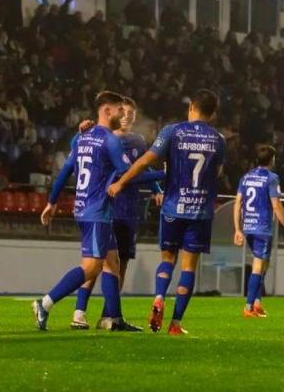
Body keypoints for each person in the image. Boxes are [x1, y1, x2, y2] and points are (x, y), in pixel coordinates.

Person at [34, 91, 156, 332]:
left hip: (83, 207)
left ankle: (115, 319)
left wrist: (52, 202)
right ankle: (45, 303)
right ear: (107, 111)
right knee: (92, 267)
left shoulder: (82, 138)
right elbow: (129, 175)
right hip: (97, 211)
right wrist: (168, 175)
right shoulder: (109, 140)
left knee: (112, 261)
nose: (122, 115)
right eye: (119, 110)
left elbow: (67, 169)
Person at [109, 89, 226, 335]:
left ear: (191, 107)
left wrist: (121, 183)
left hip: (173, 207)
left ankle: (159, 296)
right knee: (188, 268)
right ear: (213, 113)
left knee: (167, 259)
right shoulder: (219, 139)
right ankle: (175, 324)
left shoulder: (173, 132)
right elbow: (216, 173)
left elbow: (143, 161)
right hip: (200, 211)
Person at [71, 96, 162, 330]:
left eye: (132, 113)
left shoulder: (137, 141)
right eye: (125, 112)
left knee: (119, 263)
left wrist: (157, 188)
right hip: (106, 206)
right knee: (95, 263)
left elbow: (144, 167)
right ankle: (79, 311)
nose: (128, 116)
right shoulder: (103, 137)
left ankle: (109, 316)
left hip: (129, 209)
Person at [233, 145, 284, 318]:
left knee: (263, 264)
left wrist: (237, 228)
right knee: (258, 267)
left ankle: (257, 303)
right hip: (262, 227)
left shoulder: (245, 177)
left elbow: (238, 203)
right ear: (272, 160)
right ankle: (248, 306)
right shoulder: (272, 178)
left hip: (249, 227)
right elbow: (276, 204)